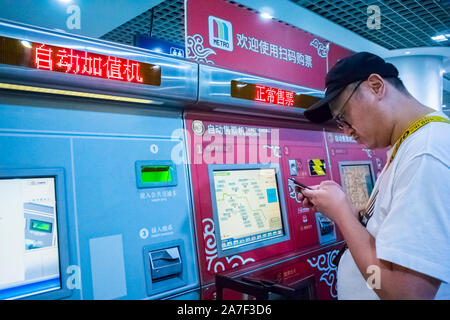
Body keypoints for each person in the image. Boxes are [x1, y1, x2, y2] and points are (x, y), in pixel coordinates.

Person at [300, 52, 450, 300]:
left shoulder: (425, 153)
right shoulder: (411, 145)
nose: (347, 132)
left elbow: (404, 295)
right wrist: (347, 210)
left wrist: (342, 214)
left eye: (343, 117)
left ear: (376, 86)